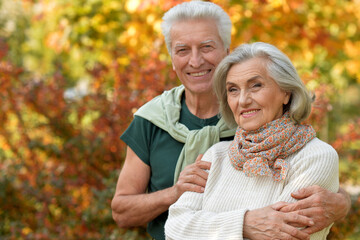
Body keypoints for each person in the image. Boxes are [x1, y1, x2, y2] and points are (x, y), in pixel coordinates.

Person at [111, 1, 350, 240]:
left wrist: (341, 203)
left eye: (206, 47)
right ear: (172, 59)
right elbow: (139, 216)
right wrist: (177, 193)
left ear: (227, 51)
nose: (195, 61)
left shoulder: (263, 122)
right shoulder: (153, 121)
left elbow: (314, 164)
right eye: (182, 50)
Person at [165, 42, 340, 240]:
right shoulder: (216, 155)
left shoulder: (316, 157)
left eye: (256, 85)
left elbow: (283, 236)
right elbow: (175, 226)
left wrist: (202, 227)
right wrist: (244, 224)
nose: (242, 100)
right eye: (233, 90)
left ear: (286, 92)